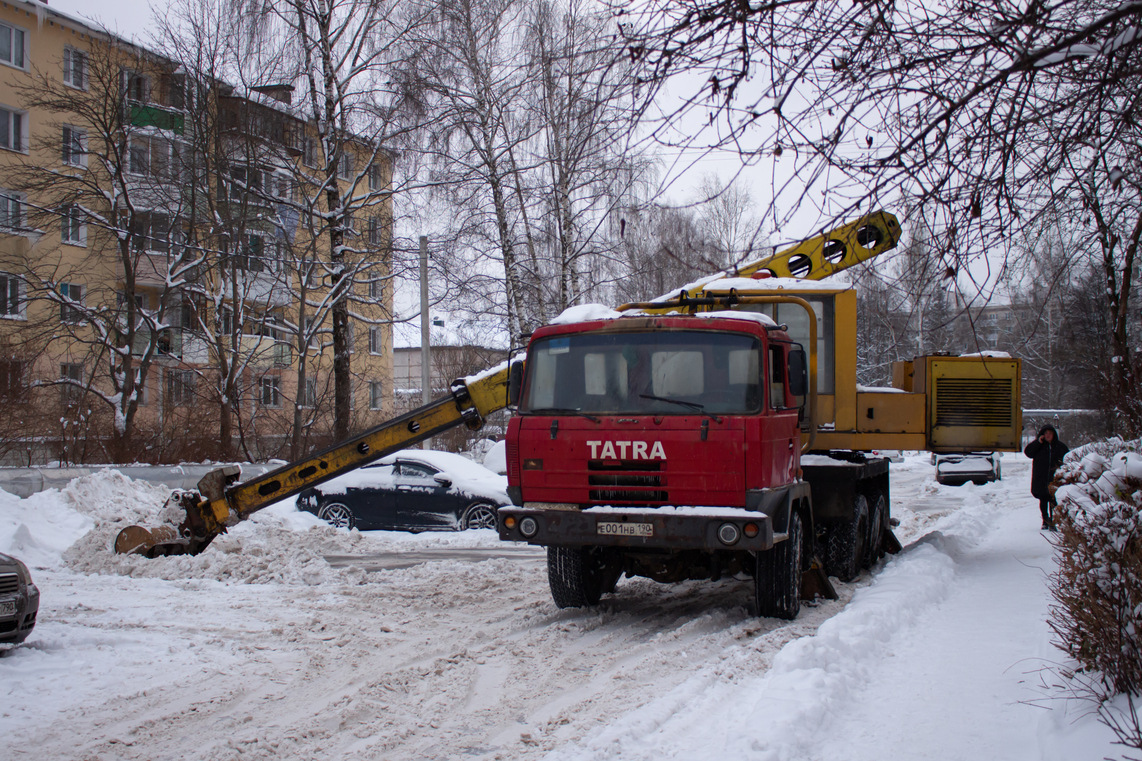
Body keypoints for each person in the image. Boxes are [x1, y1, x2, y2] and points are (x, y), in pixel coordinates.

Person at [1024, 425, 1069, 530]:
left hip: (1054, 477)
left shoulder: (1060, 447)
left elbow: (1067, 458)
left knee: (1053, 500)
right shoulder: (1039, 446)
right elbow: (1028, 452)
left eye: (1050, 433)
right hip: (1041, 477)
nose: (1048, 435)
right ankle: (1045, 519)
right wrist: (1038, 442)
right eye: (1046, 433)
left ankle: (1053, 521)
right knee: (1043, 499)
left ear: (1054, 435)